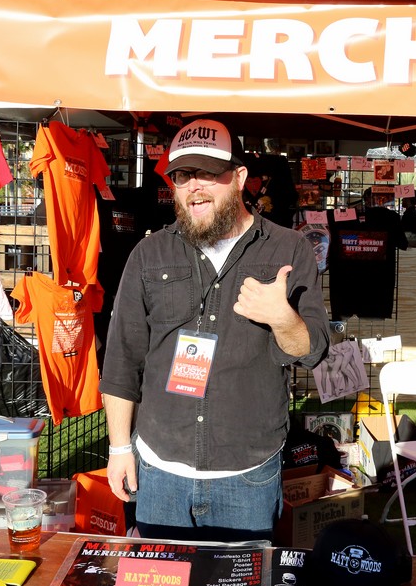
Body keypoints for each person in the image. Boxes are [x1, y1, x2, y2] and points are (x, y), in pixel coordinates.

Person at [100, 118, 330, 542]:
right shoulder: (149, 253)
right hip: (160, 470)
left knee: (241, 585)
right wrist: (119, 448)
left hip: (247, 472)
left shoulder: (288, 248)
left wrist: (282, 318)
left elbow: (311, 350)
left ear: (239, 177)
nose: (194, 187)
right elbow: (121, 360)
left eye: (207, 173)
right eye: (182, 176)